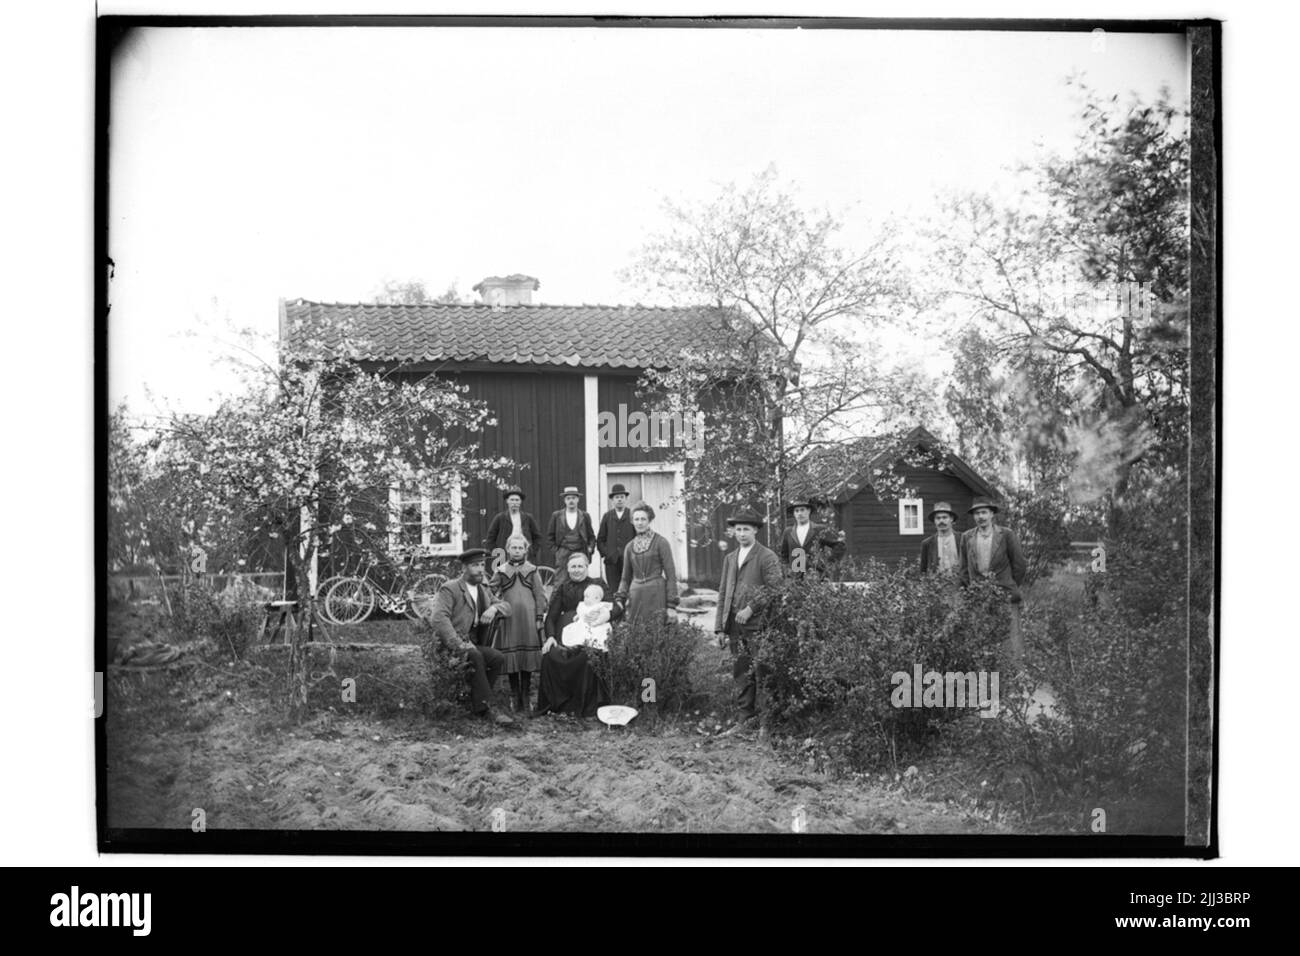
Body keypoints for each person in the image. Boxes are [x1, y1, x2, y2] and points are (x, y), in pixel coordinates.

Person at [427, 548, 515, 725]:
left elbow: (507, 606)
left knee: (497, 658)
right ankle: (488, 708)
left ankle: (478, 704)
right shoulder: (450, 589)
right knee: (474, 655)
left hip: (473, 644)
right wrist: (458, 644)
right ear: (464, 568)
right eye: (475, 565)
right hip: (452, 646)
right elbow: (438, 618)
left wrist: (493, 608)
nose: (480, 569)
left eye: (482, 565)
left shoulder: (483, 589)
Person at [714, 510, 783, 733]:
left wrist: (751, 608)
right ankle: (745, 720)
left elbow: (775, 589)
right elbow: (724, 592)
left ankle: (766, 724)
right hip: (735, 626)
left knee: (763, 670)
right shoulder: (730, 558)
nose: (741, 533)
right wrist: (720, 628)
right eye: (738, 529)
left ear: (755, 531)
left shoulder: (766, 556)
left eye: (746, 529)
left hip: (758, 625)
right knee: (742, 672)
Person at [537, 552, 623, 718]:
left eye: (580, 566)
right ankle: (558, 704)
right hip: (568, 635)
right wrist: (551, 637)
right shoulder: (564, 587)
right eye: (573, 567)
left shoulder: (597, 584)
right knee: (551, 655)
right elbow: (551, 617)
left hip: (592, 634)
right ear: (568, 569)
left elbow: (616, 608)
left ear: (586, 567)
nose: (577, 570)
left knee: (586, 656)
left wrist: (605, 616)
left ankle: (584, 705)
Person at [960, 497, 1028, 663]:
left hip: (1005, 595)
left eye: (984, 512)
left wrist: (1009, 586)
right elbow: (963, 570)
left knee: (1010, 638)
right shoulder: (967, 537)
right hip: (979, 597)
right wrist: (972, 591)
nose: (980, 517)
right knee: (981, 637)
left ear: (992, 515)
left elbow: (1020, 565)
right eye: (977, 513)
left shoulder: (1006, 535)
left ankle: (1013, 677)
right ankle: (987, 675)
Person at [487, 533, 547, 714]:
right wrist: (496, 605)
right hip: (510, 618)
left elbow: (540, 596)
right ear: (507, 549)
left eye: (520, 548)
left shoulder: (532, 570)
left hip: (528, 619)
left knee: (526, 655)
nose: (517, 551)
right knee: (512, 654)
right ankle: (514, 694)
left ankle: (526, 694)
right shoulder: (501, 570)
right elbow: (489, 590)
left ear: (525, 550)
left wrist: (538, 617)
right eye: (514, 547)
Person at [615, 502, 679, 625]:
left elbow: (671, 576)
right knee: (637, 636)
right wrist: (620, 599)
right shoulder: (629, 547)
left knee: (658, 634)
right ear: (632, 521)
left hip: (656, 594)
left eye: (643, 519)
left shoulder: (661, 542)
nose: (640, 523)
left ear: (649, 520)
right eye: (636, 519)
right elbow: (625, 578)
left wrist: (671, 605)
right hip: (636, 597)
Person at [778, 499, 843, 579]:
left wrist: (828, 563)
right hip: (794, 579)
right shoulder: (788, 532)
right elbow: (784, 555)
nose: (799, 513)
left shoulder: (819, 529)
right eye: (797, 511)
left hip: (816, 577)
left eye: (802, 510)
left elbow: (840, 545)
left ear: (808, 511)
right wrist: (786, 570)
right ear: (794, 514)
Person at [546, 485, 596, 576]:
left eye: (573, 498)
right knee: (561, 579)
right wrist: (557, 552)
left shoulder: (585, 516)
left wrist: (590, 548)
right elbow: (550, 537)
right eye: (568, 498)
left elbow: (591, 536)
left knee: (580, 578)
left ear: (578, 499)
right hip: (563, 552)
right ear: (565, 500)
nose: (571, 500)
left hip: (580, 551)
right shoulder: (556, 516)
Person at [484, 488, 543, 564]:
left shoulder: (528, 518)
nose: (514, 502)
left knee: (525, 574)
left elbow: (537, 537)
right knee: (506, 575)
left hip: (524, 554)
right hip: (506, 555)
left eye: (517, 500)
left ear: (520, 502)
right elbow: (490, 539)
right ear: (507, 501)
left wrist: (532, 551)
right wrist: (497, 554)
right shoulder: (500, 518)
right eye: (512, 500)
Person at [596, 483, 635, 588]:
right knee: (613, 588)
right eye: (616, 497)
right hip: (611, 561)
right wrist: (607, 553)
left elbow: (638, 538)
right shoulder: (607, 516)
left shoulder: (632, 515)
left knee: (629, 587)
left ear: (626, 499)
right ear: (612, 500)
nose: (619, 500)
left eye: (622, 497)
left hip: (629, 560)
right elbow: (600, 540)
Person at [919, 501, 966, 578]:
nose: (941, 521)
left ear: (951, 519)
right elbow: (923, 570)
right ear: (934, 521)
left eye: (944, 517)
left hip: (960, 585)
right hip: (937, 586)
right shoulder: (927, 543)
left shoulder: (963, 539)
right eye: (938, 518)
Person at [560, 583, 613, 651]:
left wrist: (597, 622)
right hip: (582, 625)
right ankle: (575, 646)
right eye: (585, 596)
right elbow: (581, 613)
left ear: (597, 598)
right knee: (575, 632)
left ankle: (591, 647)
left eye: (587, 597)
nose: (585, 599)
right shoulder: (583, 605)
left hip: (595, 626)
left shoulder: (600, 606)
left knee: (595, 635)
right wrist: (578, 617)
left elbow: (605, 616)